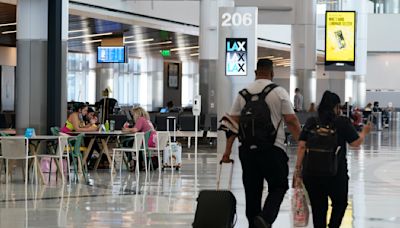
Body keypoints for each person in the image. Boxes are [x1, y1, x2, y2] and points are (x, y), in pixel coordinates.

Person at [222, 59, 301, 228]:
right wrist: (303, 143)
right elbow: (292, 121)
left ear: (256, 72)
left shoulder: (243, 94)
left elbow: (231, 124)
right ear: (272, 74)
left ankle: (255, 223)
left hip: (247, 151)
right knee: (279, 186)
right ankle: (265, 219)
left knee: (252, 192)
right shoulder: (279, 92)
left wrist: (227, 152)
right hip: (273, 149)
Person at [293, 91, 371, 228]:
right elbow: (355, 143)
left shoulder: (311, 122)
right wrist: (364, 132)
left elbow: (301, 146)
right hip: (336, 173)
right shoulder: (342, 122)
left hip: (312, 173)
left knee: (318, 208)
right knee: (340, 204)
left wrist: (298, 170)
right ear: (336, 107)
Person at [122, 106, 157, 171]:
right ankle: (141, 162)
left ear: (137, 113)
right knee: (132, 143)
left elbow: (135, 129)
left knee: (126, 143)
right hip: (150, 141)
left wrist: (126, 129)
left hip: (145, 142)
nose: (133, 116)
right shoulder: (147, 120)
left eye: (134, 114)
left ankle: (131, 162)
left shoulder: (141, 119)